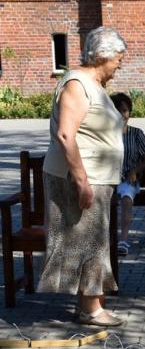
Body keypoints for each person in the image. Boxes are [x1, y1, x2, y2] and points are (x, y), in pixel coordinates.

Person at [38, 27, 127, 327]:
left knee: (93, 240)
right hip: (81, 177)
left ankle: (88, 305)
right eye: (118, 58)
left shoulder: (92, 84)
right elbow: (66, 134)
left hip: (96, 177)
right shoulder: (77, 84)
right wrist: (81, 181)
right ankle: (91, 310)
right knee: (89, 242)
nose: (120, 64)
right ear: (102, 55)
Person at [110, 92, 145, 256]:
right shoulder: (104, 134)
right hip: (106, 179)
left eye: (124, 110)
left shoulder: (136, 134)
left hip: (128, 180)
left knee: (126, 199)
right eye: (118, 111)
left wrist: (136, 170)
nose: (122, 115)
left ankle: (122, 241)